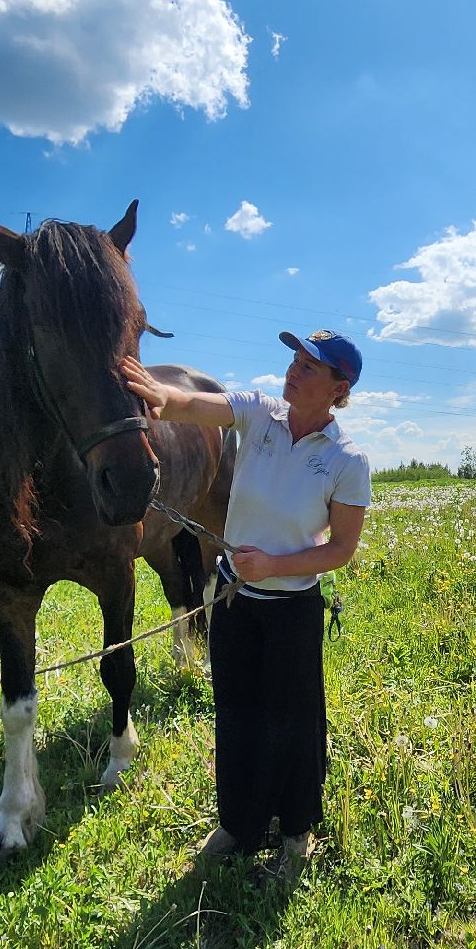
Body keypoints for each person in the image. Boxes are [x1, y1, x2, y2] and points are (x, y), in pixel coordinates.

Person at [120, 329, 371, 862]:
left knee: (293, 723)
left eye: (310, 366)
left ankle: (296, 832)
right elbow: (196, 404)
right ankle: (237, 824)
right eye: (296, 360)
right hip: (235, 600)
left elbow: (341, 550)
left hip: (292, 609)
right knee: (236, 714)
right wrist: (164, 399)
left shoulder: (348, 461)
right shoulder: (259, 413)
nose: (294, 370)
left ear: (338, 386)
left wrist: (274, 565)